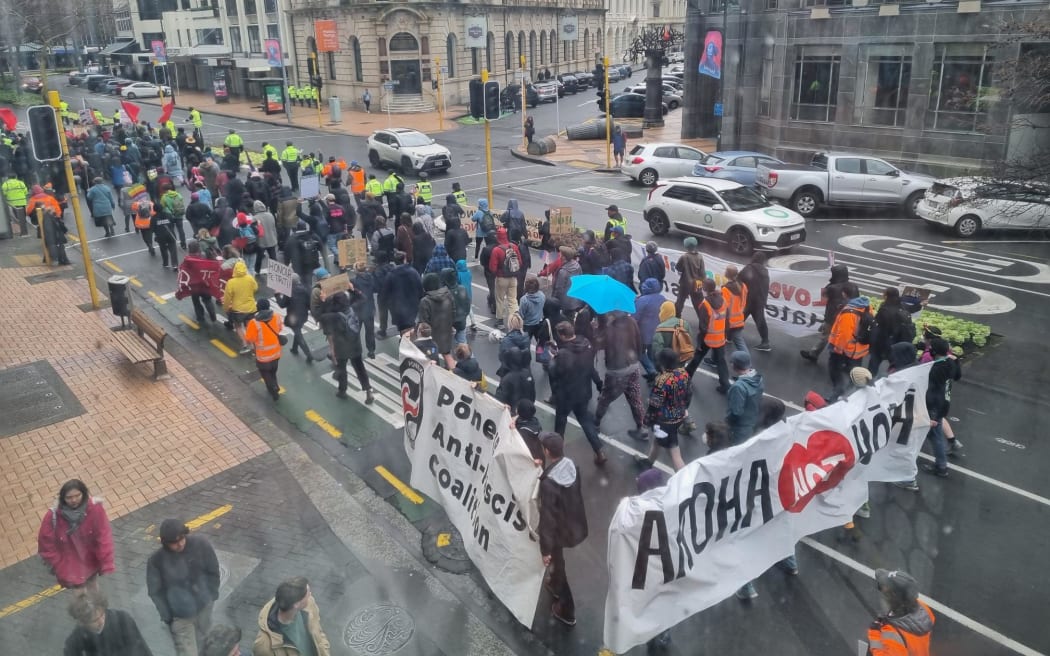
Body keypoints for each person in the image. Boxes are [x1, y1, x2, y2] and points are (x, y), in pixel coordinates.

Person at [147, 519, 220, 656]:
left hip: (204, 606)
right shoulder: (156, 561)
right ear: (165, 542)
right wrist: (168, 617)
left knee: (207, 645)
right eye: (174, 542)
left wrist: (212, 595)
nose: (180, 544)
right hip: (180, 617)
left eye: (181, 538)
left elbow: (213, 570)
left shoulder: (201, 544)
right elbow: (155, 592)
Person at [537, 432, 588, 627]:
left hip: (558, 529)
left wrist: (545, 550)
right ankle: (555, 584)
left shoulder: (549, 484)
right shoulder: (570, 466)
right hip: (572, 523)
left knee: (557, 563)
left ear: (547, 452)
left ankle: (567, 610)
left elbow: (547, 519)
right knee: (559, 563)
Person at [38, 479, 115, 592]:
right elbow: (46, 545)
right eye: (69, 497)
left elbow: (103, 536)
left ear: (84, 494)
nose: (73, 500)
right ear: (62, 498)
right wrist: (59, 566)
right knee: (80, 598)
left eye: (77, 495)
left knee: (94, 589)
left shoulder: (94, 509)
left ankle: (99, 609)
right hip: (70, 567)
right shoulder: (52, 516)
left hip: (90, 562)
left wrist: (106, 561)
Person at [549, 321, 606, 465]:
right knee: (585, 421)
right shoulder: (586, 345)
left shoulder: (563, 354)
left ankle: (558, 456)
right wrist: (599, 384)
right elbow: (592, 369)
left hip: (566, 395)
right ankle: (599, 451)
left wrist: (553, 360)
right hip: (583, 392)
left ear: (562, 336)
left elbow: (555, 374)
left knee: (560, 423)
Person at [595, 311, 648, 441]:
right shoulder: (632, 322)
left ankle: (595, 423)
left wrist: (598, 328)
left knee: (605, 398)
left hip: (617, 371)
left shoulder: (611, 328)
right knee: (635, 398)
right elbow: (639, 341)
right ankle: (642, 427)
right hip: (633, 366)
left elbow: (599, 344)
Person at [637, 348, 692, 471]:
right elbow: (689, 394)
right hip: (679, 416)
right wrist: (683, 408)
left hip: (665, 421)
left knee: (674, 451)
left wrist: (645, 423)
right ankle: (649, 461)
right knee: (659, 440)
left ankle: (684, 477)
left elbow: (654, 405)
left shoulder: (662, 380)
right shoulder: (683, 373)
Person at [321, 286, 375, 404]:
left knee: (342, 369)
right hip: (355, 344)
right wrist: (353, 289)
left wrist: (325, 301)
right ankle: (368, 391)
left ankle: (342, 390)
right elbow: (362, 298)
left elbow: (322, 316)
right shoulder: (353, 308)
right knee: (360, 368)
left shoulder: (334, 316)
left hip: (341, 347)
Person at [252, 577, 331, 656]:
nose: (310, 595)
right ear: (296, 604)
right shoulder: (264, 646)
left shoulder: (309, 605)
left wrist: (325, 651)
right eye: (307, 594)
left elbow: (319, 632)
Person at [866, 569, 935, 655]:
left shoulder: (893, 634)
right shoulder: (925, 610)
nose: (883, 596)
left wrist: (874, 635)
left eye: (886, 594)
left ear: (895, 600)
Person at [64, 590, 153, 656]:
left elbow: (140, 646)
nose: (101, 621)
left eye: (102, 615)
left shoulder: (122, 619)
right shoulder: (75, 641)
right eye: (95, 620)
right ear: (83, 622)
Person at [921, 337, 961, 479]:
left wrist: (930, 412)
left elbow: (931, 391)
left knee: (934, 436)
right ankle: (941, 464)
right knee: (935, 435)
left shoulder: (936, 369)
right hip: (944, 404)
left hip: (934, 407)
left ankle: (941, 466)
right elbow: (957, 376)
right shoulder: (950, 363)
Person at [802, 263, 859, 363]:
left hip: (832, 317)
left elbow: (823, 294)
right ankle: (846, 360)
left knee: (826, 336)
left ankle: (814, 354)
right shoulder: (853, 286)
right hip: (849, 317)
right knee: (845, 337)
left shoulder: (832, 288)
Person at [685, 278, 731, 393]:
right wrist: (725, 334)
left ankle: (686, 377)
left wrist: (699, 341)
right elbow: (727, 320)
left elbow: (703, 327)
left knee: (697, 358)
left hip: (708, 338)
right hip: (720, 337)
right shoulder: (723, 300)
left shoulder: (705, 304)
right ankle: (725, 384)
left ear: (705, 289)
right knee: (721, 361)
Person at [827, 296, 873, 399]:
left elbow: (844, 335)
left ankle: (837, 393)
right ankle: (850, 394)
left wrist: (837, 349)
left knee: (835, 370)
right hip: (858, 350)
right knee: (853, 373)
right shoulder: (867, 308)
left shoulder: (848, 313)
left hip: (845, 349)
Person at [869, 287, 916, 377]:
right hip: (898, 343)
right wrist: (921, 304)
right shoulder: (903, 306)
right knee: (895, 366)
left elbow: (877, 328)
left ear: (887, 296)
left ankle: (869, 382)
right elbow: (913, 308)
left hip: (883, 343)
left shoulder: (885, 310)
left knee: (874, 363)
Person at [244, 299, 284, 401]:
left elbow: (249, 339)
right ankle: (275, 385)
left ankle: (273, 388)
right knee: (273, 372)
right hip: (276, 353)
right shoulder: (277, 316)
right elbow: (280, 328)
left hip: (263, 356)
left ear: (258, 308)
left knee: (265, 373)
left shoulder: (254, 322)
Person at [418, 272, 456, 368]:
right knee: (447, 354)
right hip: (446, 331)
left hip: (431, 335)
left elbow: (423, 321)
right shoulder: (448, 295)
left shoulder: (425, 301)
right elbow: (453, 312)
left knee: (431, 358)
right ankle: (454, 376)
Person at [725, 350, 764, 445]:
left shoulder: (738, 387)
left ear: (734, 365)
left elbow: (736, 412)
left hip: (739, 428)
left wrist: (727, 423)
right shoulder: (758, 378)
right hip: (752, 420)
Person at [222, 260, 259, 354]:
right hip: (251, 308)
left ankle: (245, 344)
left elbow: (227, 298)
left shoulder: (231, 282)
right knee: (249, 327)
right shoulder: (250, 278)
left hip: (238, 310)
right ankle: (254, 345)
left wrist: (226, 308)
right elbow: (256, 288)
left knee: (238, 326)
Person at [275, 272, 313, 362]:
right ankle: (294, 348)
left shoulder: (288, 292)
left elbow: (282, 304)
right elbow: (309, 304)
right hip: (303, 315)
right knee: (297, 331)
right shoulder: (305, 290)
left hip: (293, 317)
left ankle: (308, 354)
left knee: (298, 334)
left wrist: (277, 296)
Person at [384, 250, 424, 335]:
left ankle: (404, 342)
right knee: (411, 326)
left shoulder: (391, 275)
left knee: (403, 328)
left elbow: (386, 294)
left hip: (397, 308)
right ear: (404, 259)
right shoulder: (413, 272)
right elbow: (420, 288)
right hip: (412, 305)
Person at [489, 227, 522, 326]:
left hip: (501, 278)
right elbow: (520, 262)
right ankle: (515, 321)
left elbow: (492, 268)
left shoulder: (496, 250)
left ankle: (500, 321)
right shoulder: (514, 247)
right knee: (513, 299)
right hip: (513, 277)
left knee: (500, 299)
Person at [739, 252, 771, 352]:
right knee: (760, 321)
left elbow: (738, 281)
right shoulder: (765, 271)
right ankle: (765, 342)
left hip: (748, 300)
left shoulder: (748, 268)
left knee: (739, 318)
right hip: (760, 301)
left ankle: (730, 336)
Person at [634, 277, 664, 379]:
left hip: (644, 333)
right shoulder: (662, 298)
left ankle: (652, 371)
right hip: (657, 331)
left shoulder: (642, 300)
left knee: (639, 353)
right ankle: (654, 371)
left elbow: (634, 317)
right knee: (652, 353)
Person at [496, 346, 536, 411]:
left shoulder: (507, 379)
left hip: (512, 413)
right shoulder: (528, 373)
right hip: (526, 410)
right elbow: (533, 395)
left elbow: (500, 399)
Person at [674, 237, 706, 317]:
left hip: (685, 283)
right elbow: (702, 273)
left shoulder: (684, 257)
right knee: (699, 304)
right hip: (697, 284)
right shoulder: (700, 257)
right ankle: (703, 321)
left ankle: (677, 318)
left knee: (680, 302)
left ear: (686, 247)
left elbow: (678, 268)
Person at [722, 265, 749, 355]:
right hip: (739, 319)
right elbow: (744, 302)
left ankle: (747, 364)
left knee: (740, 345)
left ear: (726, 274)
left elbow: (723, 307)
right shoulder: (743, 286)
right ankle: (714, 360)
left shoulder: (726, 289)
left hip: (729, 322)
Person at [552, 246, 583, 317]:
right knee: (571, 317)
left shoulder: (563, 271)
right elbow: (580, 279)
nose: (559, 255)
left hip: (566, 301)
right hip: (575, 298)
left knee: (565, 318)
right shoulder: (577, 265)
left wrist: (554, 299)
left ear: (564, 257)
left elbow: (559, 288)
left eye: (560, 254)